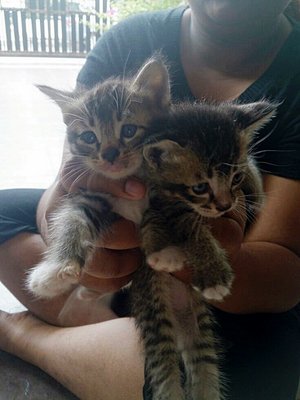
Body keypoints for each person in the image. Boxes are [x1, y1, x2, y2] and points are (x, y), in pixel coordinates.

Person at [0, 0, 300, 399]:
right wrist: (76, 237)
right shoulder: (129, 40)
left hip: (232, 283)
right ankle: (102, 333)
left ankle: (31, 333)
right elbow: (69, 183)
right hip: (124, 244)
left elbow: (284, 272)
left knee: (254, 379)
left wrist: (197, 252)